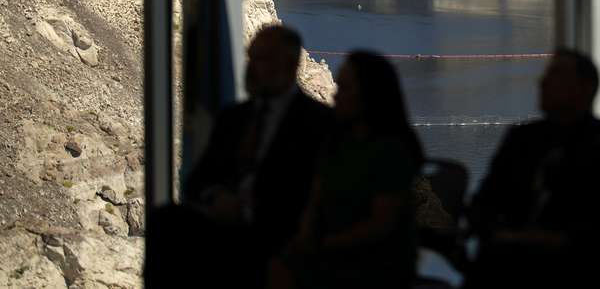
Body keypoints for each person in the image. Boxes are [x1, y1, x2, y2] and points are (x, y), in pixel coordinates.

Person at [145, 25, 333, 289]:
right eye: (251, 58)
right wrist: (217, 198)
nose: (252, 68)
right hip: (227, 224)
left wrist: (249, 209)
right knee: (166, 221)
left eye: (263, 60)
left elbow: (315, 195)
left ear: (289, 66)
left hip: (281, 232)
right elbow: (197, 181)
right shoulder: (235, 117)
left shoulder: (318, 123)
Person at [467, 49, 600, 289]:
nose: (542, 82)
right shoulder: (520, 139)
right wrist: (500, 234)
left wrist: (554, 241)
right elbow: (483, 203)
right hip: (511, 262)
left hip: (587, 267)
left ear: (585, 88)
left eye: (556, 75)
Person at [270, 50, 425, 289]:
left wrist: (325, 245)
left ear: (367, 96)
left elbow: (380, 224)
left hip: (373, 264)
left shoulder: (391, 153)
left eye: (344, 89)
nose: (336, 95)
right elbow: (316, 199)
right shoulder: (335, 144)